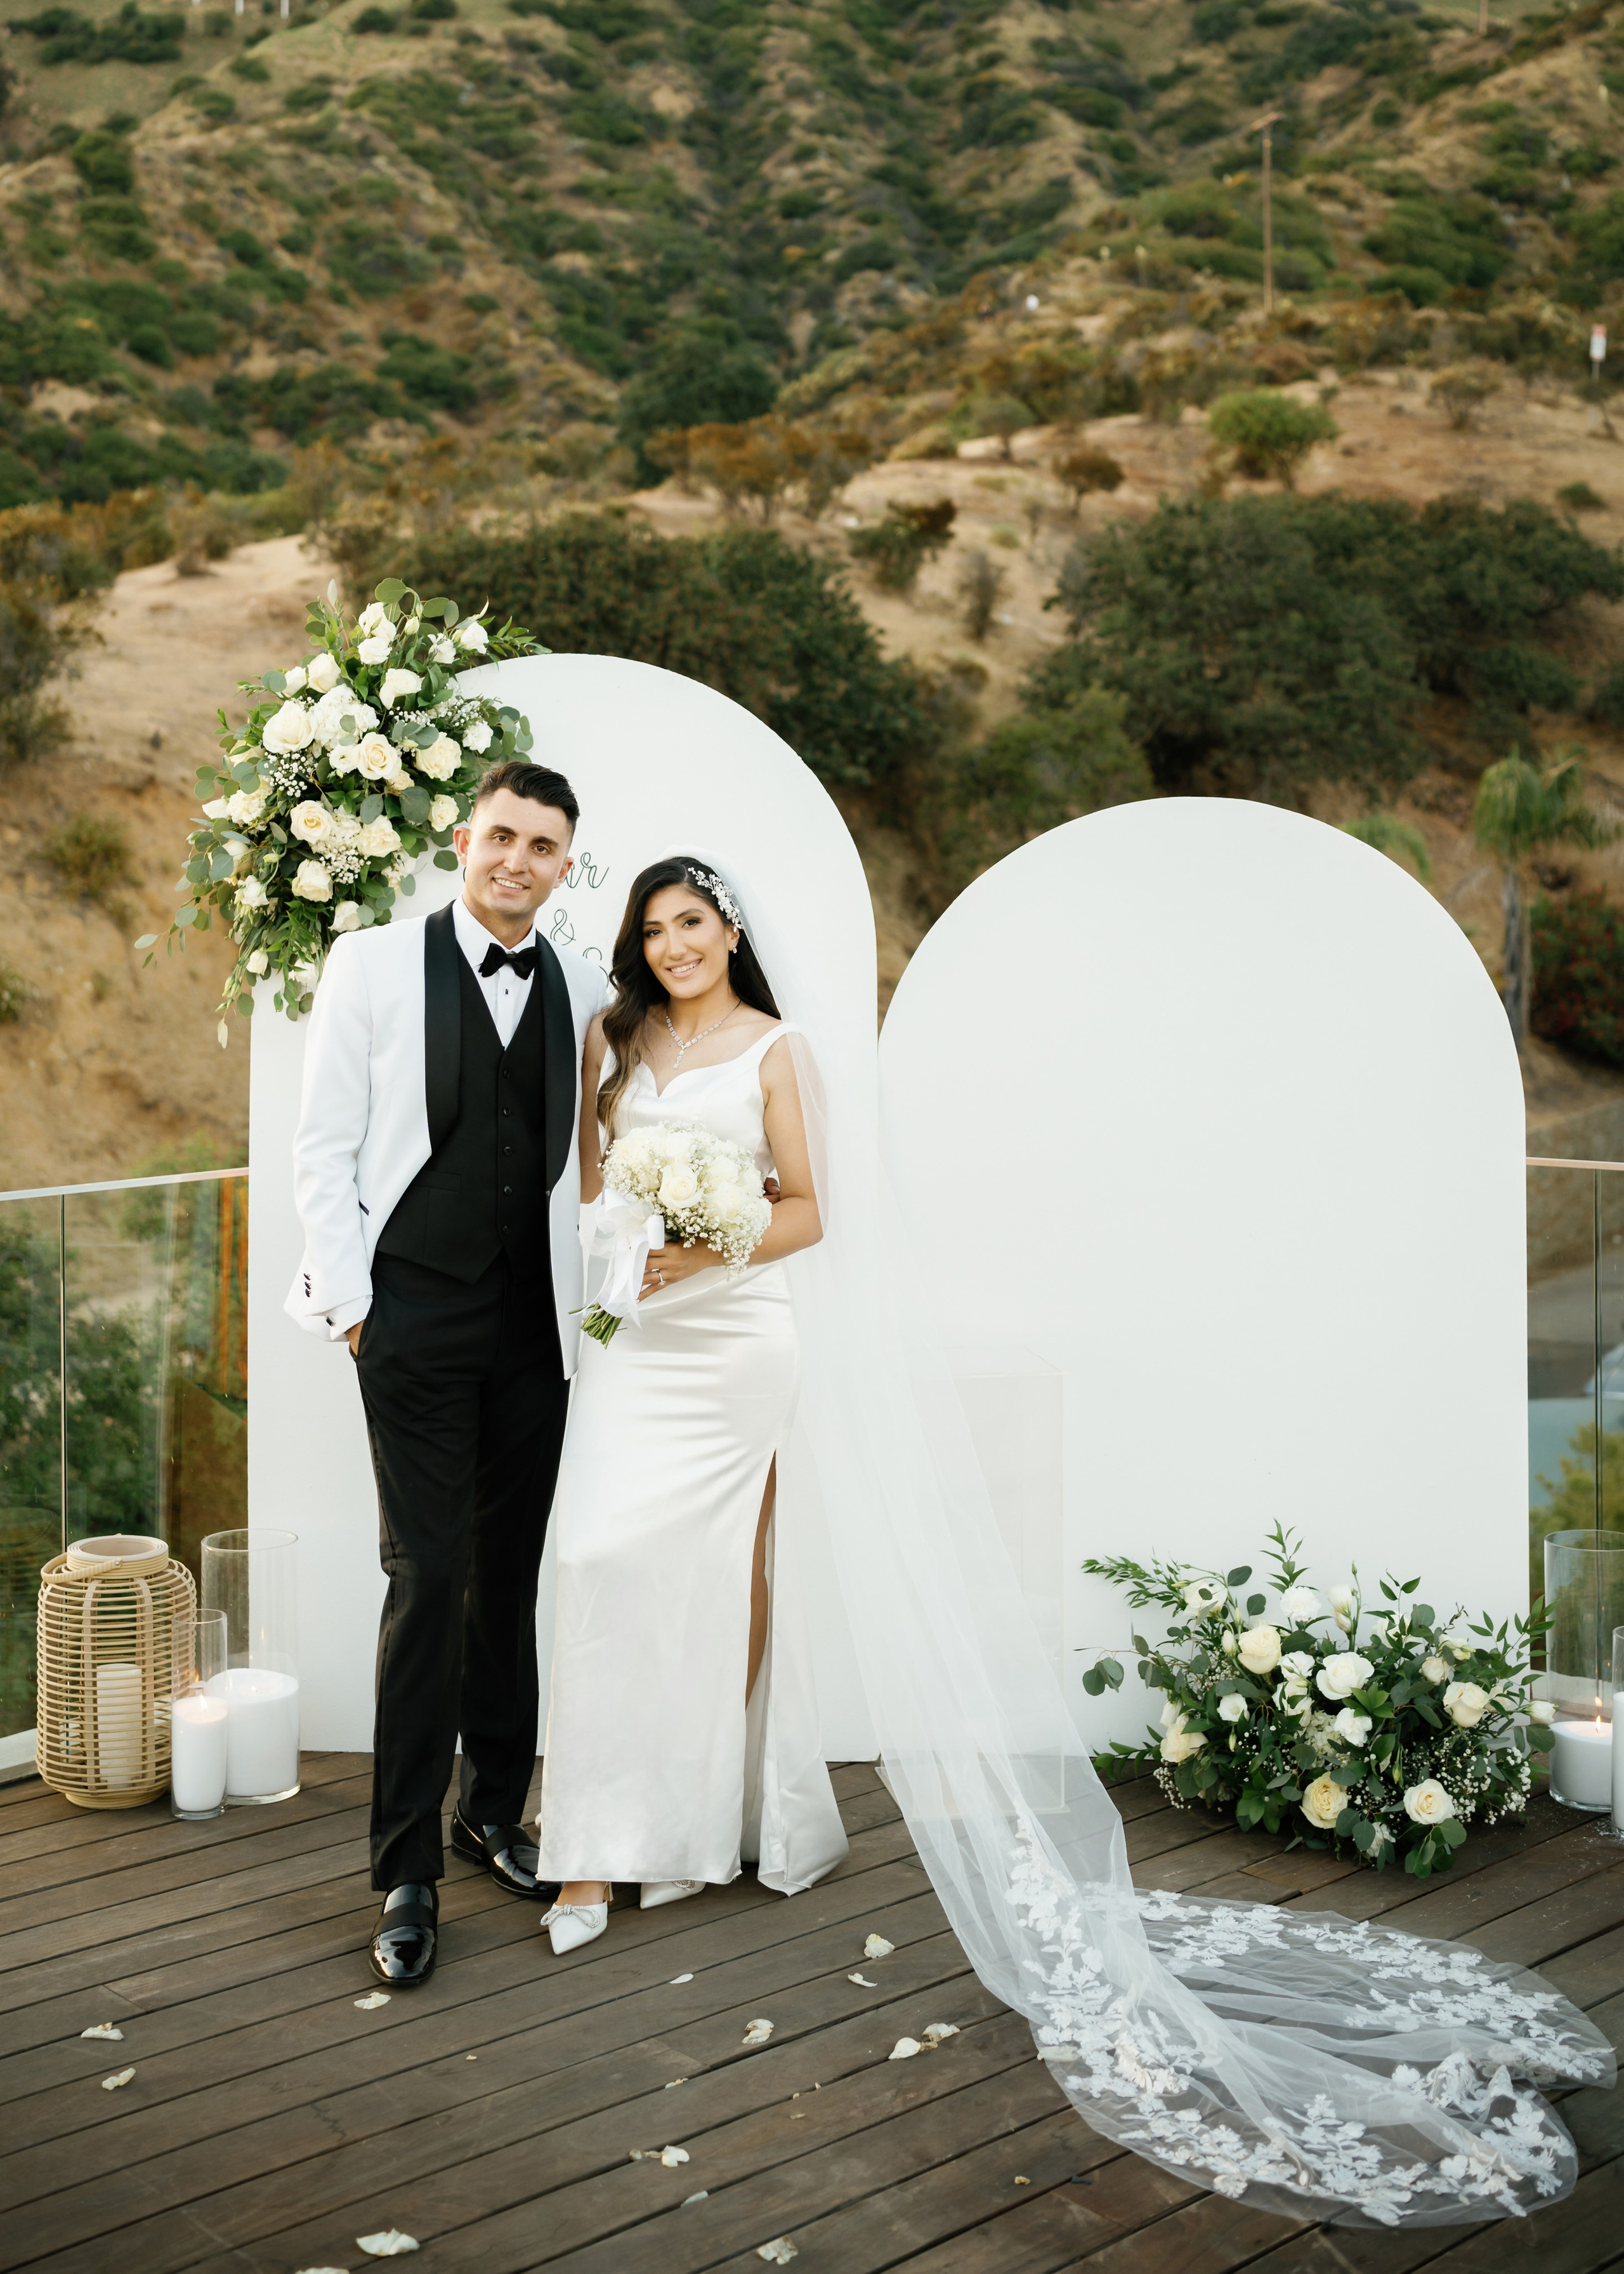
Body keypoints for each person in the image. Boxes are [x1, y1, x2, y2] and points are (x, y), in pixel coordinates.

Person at [286, 761, 610, 1987]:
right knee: (427, 1575)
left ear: (563, 867)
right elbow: (322, 1147)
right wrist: (358, 1305)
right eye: (502, 837)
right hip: (411, 1318)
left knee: (509, 1576)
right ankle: (405, 1866)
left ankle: (493, 1812)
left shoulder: (578, 984)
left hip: (536, 1330)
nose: (517, 861)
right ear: (464, 841)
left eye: (543, 848)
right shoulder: (371, 964)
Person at [535, 857, 848, 1950]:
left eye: (693, 922)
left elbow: (808, 1211)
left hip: (734, 1346)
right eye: (655, 928)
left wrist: (707, 1250)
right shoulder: (613, 1042)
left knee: (716, 1584)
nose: (674, 945)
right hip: (633, 1340)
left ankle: (688, 1822)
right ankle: (585, 1851)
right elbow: (587, 1194)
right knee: (594, 1562)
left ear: (728, 931)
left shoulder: (777, 1047)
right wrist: (626, 1250)